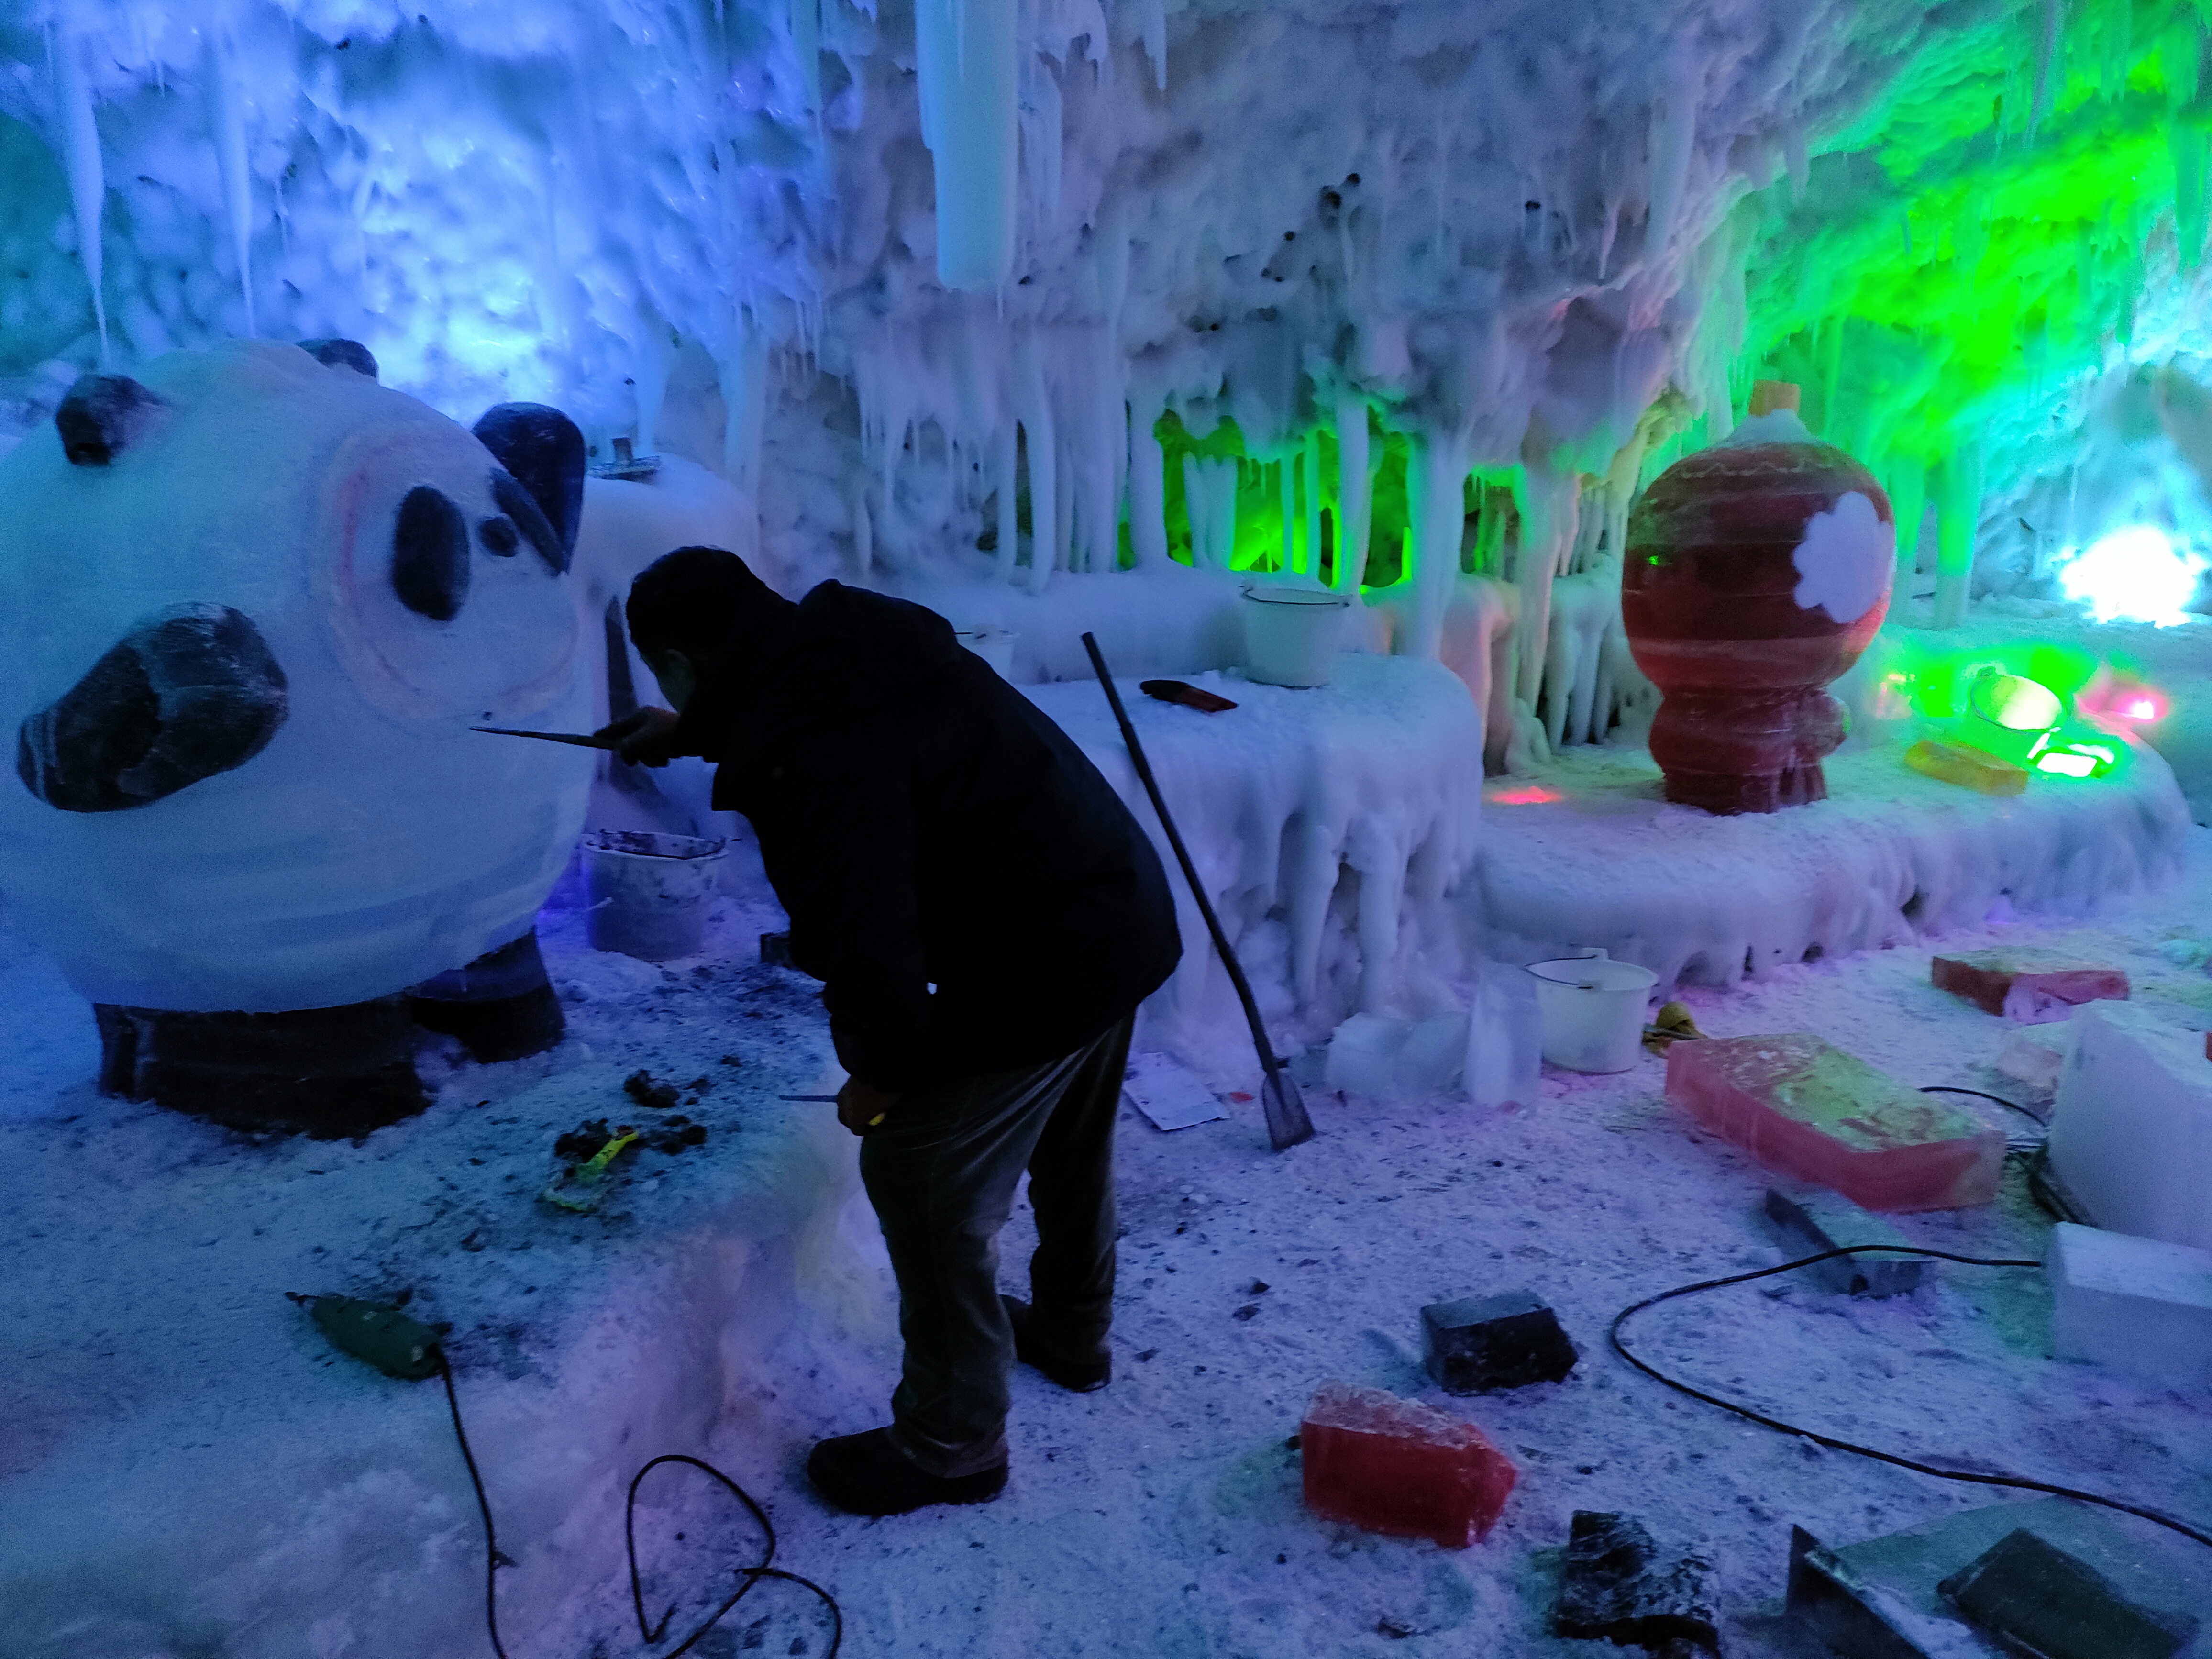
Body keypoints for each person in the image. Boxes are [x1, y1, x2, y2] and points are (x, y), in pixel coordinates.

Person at [599, 546, 1181, 1516]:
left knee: (918, 1175)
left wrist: (878, 1074)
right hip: (1110, 910)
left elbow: (866, 946)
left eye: (665, 675)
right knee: (1068, 1140)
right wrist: (691, 729)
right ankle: (1073, 1333)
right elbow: (815, 727)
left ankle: (952, 1444)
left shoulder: (809, 749)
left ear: (677, 658)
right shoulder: (845, 647)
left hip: (1046, 953)